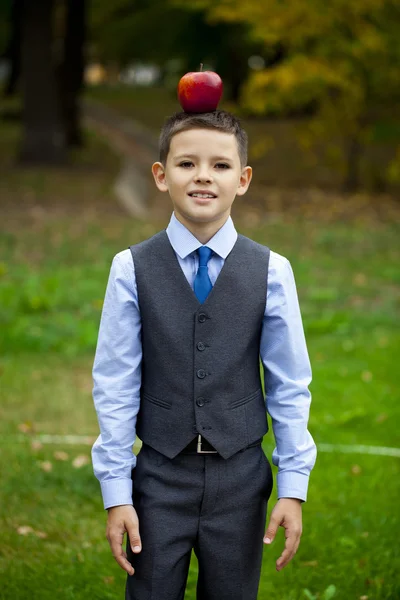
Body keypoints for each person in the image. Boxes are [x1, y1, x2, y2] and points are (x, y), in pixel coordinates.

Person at [91, 109, 317, 600]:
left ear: (243, 179)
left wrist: (293, 486)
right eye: (186, 163)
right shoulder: (129, 268)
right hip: (157, 478)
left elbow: (289, 383)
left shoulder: (273, 271)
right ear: (160, 175)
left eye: (220, 165)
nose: (202, 177)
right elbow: (115, 382)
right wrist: (117, 493)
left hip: (241, 481)